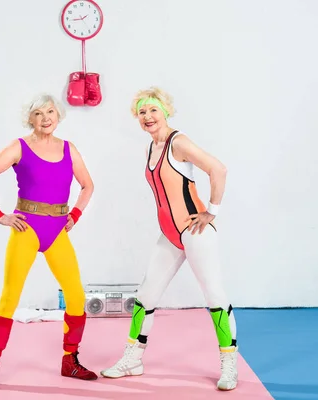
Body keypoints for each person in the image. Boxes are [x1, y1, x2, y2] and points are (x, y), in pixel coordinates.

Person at [100, 87, 238, 391]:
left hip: (195, 231)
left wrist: (211, 212)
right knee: (144, 297)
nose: (148, 117)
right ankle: (132, 359)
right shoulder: (152, 147)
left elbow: (218, 169)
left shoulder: (179, 142)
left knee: (215, 297)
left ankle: (229, 364)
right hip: (169, 235)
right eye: (141, 112)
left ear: (165, 111)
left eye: (152, 110)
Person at [0, 93, 98, 394]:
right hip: (27, 227)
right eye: (38, 113)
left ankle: (70, 360)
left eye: (50, 111)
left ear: (59, 115)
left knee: (76, 296)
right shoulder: (19, 147)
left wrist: (74, 216)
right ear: (30, 119)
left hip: (57, 231)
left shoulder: (69, 149)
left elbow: (88, 185)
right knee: (10, 298)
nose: (46, 118)